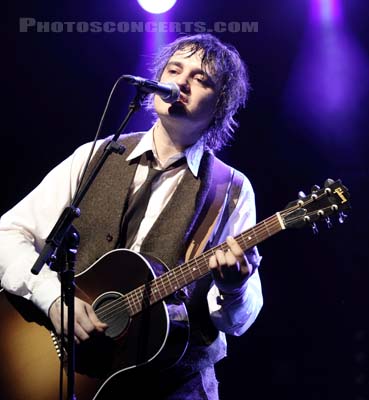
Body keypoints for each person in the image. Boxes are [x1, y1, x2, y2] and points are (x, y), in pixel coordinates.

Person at [0, 33, 263, 399]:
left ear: (220, 105)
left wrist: (234, 286)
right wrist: (51, 298)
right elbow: (7, 234)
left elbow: (237, 322)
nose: (181, 83)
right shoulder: (95, 156)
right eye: (174, 69)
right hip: (78, 374)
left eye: (201, 79)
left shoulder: (230, 189)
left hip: (173, 387)